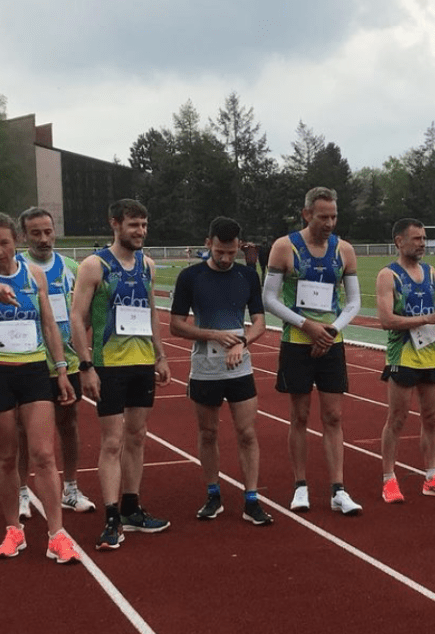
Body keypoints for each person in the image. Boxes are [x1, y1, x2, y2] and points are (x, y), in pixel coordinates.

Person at [0, 212, 80, 564]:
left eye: (4, 243)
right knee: (7, 457)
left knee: (44, 454)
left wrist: (61, 369)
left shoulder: (34, 275)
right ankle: (13, 529)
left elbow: (49, 325)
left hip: (33, 372)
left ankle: (57, 534)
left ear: (16, 241)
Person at [70, 199, 172, 550]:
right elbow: (77, 317)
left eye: (144, 225)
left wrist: (160, 355)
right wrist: (86, 365)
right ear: (115, 224)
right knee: (112, 441)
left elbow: (152, 312)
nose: (140, 231)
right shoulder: (94, 265)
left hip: (142, 362)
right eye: (133, 225)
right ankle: (112, 517)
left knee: (138, 436)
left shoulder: (148, 265)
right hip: (109, 364)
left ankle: (131, 507)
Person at [262, 187, 363, 515]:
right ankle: (300, 486)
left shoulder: (344, 250)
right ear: (306, 215)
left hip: (331, 343)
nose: (329, 223)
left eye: (334, 217)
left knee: (334, 416)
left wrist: (332, 330)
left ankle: (338, 489)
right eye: (323, 217)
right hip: (297, 342)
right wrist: (307, 326)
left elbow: (354, 301)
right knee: (300, 416)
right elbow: (269, 298)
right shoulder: (284, 247)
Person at [169, 217, 273, 526]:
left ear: (239, 246)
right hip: (205, 367)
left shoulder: (247, 275)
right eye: (219, 252)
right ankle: (213, 494)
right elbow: (176, 325)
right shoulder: (190, 277)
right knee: (208, 432)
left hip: (240, 367)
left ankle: (251, 499)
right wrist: (212, 334)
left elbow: (260, 323)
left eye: (231, 252)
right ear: (208, 244)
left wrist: (242, 341)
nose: (226, 258)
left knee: (247, 432)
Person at [376, 218, 435, 503]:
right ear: (399, 241)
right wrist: (426, 319)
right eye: (416, 239)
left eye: (424, 238)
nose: (422, 244)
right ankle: (389, 479)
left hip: (431, 354)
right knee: (397, 419)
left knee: (431, 419)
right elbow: (386, 320)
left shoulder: (430, 272)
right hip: (403, 355)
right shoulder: (388, 276)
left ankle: (432, 477)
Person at [13, 208, 94, 520]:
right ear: (23, 236)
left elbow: (84, 312)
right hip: (29, 361)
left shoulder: (72, 268)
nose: (44, 239)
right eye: (36, 233)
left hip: (68, 364)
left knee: (69, 425)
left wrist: (76, 344)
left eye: (48, 232)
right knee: (23, 431)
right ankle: (22, 492)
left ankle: (70, 488)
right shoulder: (16, 268)